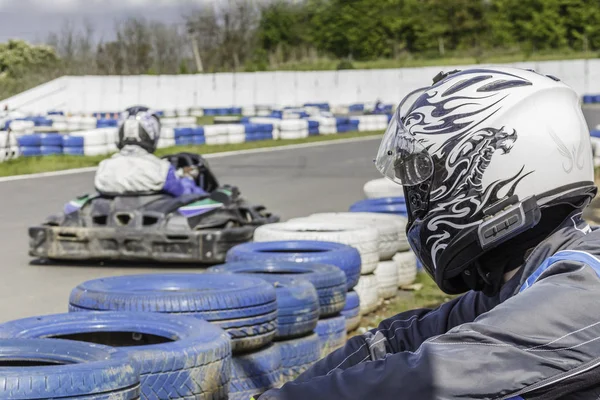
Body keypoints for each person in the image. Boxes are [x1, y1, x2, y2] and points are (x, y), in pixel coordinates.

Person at [259, 67, 600, 399]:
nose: (421, 201)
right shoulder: (523, 281)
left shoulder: (586, 290)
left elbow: (431, 376)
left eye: (429, 181)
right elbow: (395, 341)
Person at [94, 106, 207, 197]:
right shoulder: (161, 169)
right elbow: (186, 194)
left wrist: (179, 174)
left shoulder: (104, 168)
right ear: (152, 133)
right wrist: (188, 179)